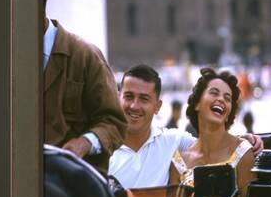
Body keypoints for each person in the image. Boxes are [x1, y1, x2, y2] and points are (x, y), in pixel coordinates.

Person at [108, 64, 262, 189]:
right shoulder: (100, 150)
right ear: (117, 98)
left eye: (144, 99)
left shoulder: (173, 141)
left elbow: (211, 143)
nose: (135, 106)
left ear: (157, 106)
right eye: (129, 97)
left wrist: (244, 139)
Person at [173, 67, 259, 197]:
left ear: (229, 111)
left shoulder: (243, 152)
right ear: (196, 103)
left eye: (227, 98)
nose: (221, 99)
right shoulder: (178, 160)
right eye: (214, 92)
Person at [43, 0, 127, 174]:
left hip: (73, 187)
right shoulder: (6, 59)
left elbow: (115, 123)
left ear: (42, 2)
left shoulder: (86, 56)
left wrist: (85, 143)